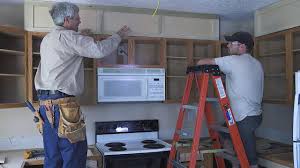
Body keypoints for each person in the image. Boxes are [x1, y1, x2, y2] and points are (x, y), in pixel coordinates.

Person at [34, 2, 130, 168]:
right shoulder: (70, 38)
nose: (80, 21)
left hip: (45, 107)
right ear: (66, 20)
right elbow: (99, 50)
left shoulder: (48, 39)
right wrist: (118, 35)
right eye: (77, 18)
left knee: (53, 157)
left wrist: (82, 36)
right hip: (63, 107)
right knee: (74, 157)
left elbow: (69, 48)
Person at [196, 31, 263, 168]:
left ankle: (239, 161)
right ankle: (234, 160)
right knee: (223, 131)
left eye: (231, 43)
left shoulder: (233, 60)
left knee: (250, 161)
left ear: (242, 46)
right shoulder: (256, 63)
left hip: (243, 118)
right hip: (255, 116)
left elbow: (200, 63)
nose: (228, 46)